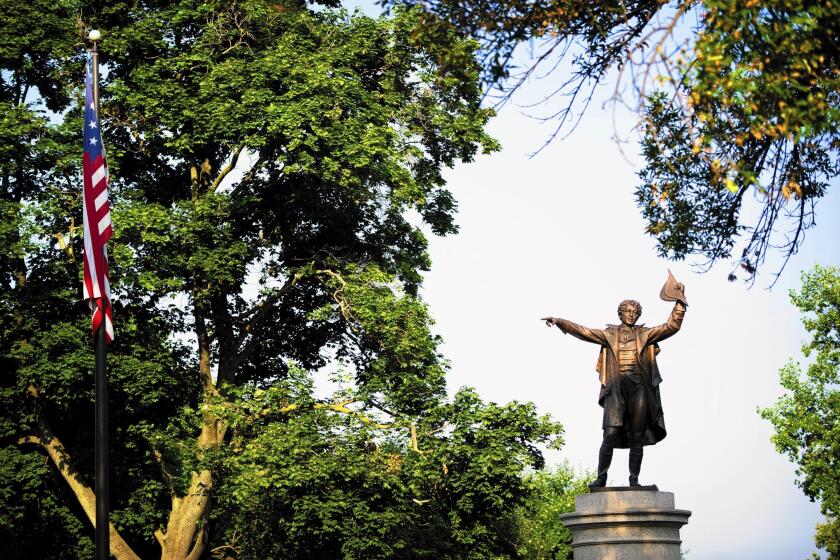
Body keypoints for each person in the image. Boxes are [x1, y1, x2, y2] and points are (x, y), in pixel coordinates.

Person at [542, 290, 686, 488]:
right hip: (616, 390)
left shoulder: (645, 334)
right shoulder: (608, 334)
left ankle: (634, 480)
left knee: (637, 435)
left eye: (635, 312)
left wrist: (680, 303)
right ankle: (601, 478)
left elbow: (672, 326)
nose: (631, 314)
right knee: (609, 433)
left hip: (639, 388)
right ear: (620, 313)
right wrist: (560, 321)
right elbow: (584, 332)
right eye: (627, 311)